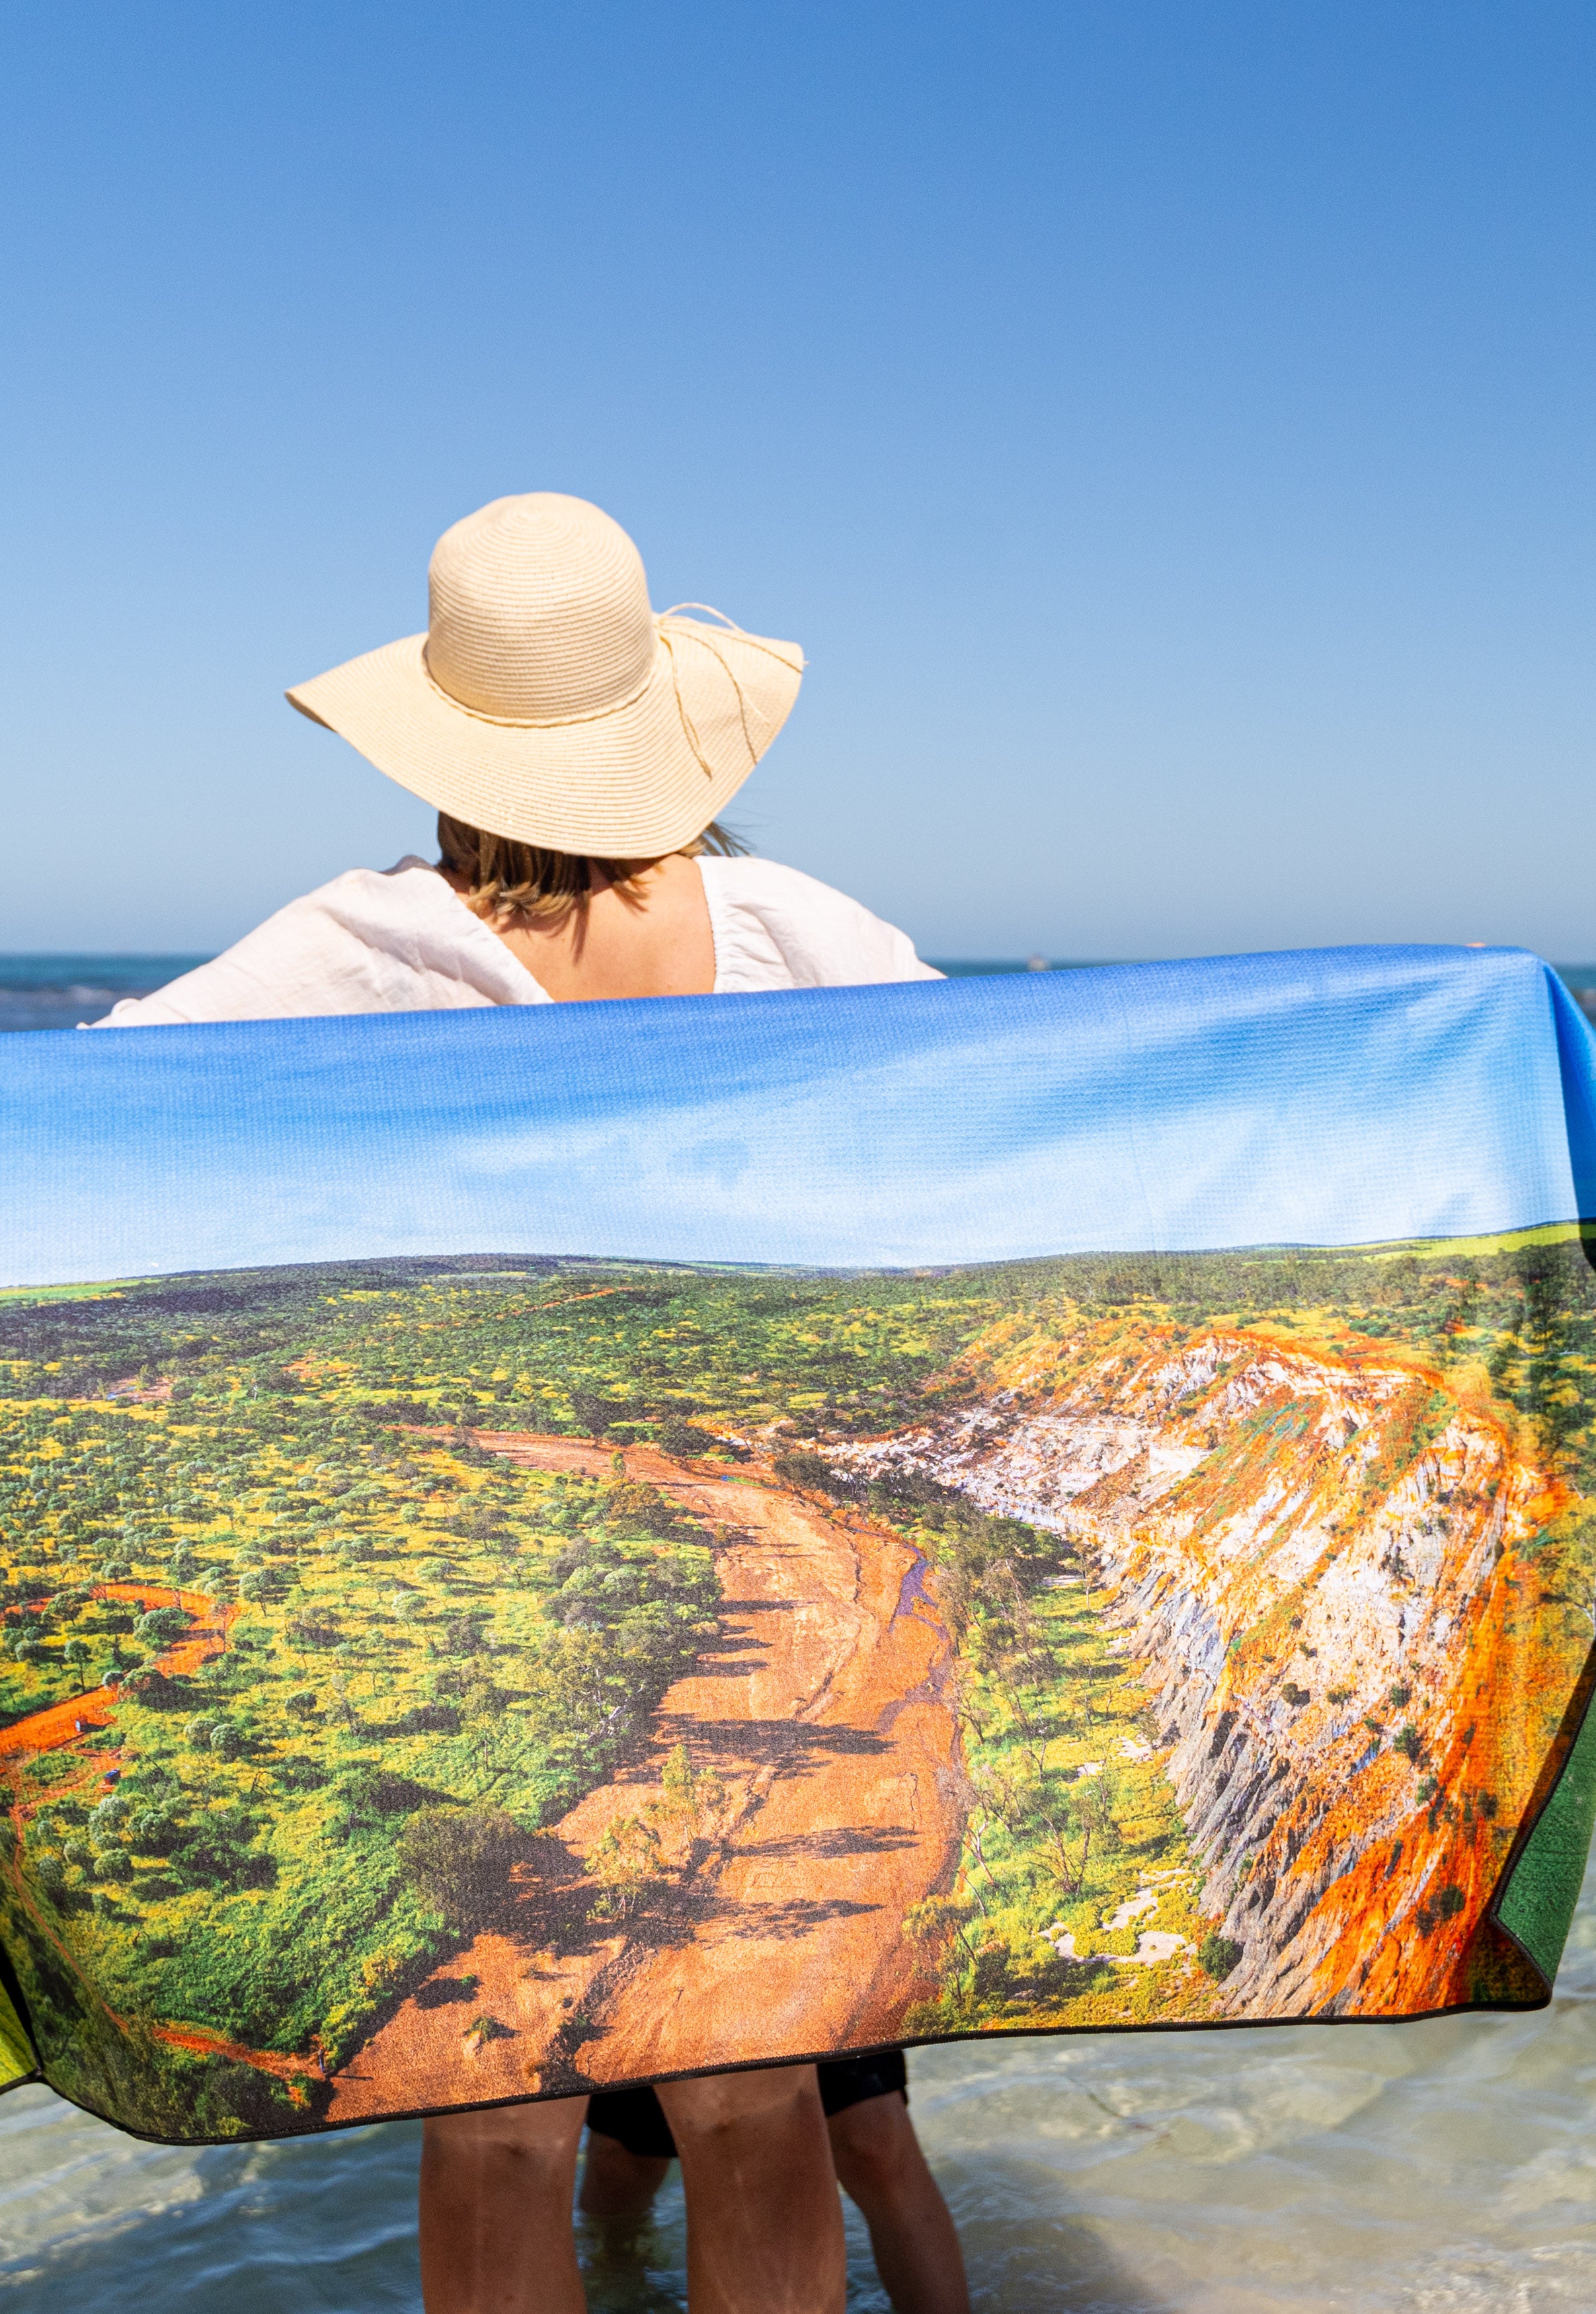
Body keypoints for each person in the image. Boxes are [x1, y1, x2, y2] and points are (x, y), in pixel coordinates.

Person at [89, 491, 970, 2314]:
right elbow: (1001, 1118)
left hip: (482, 1596)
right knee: (748, 2079)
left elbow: (86, 1115)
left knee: (494, 2104)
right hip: (747, 1543)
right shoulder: (795, 927)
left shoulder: (365, 943)